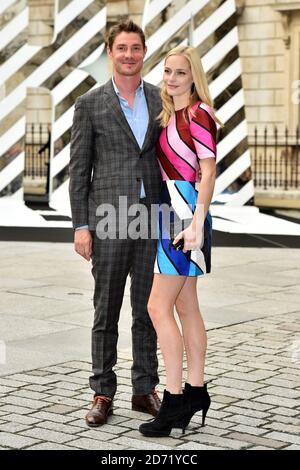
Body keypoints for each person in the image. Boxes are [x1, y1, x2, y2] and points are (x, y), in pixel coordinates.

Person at [69, 19, 163, 427]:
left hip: (153, 218)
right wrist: (81, 226)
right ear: (111, 53)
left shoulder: (163, 100)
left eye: (135, 48)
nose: (129, 55)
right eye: (121, 48)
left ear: (144, 52)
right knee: (105, 311)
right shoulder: (90, 104)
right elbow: (79, 172)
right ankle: (102, 391)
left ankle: (145, 391)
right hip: (108, 219)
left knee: (150, 310)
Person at [139, 45, 221, 437]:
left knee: (158, 306)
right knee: (186, 306)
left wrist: (197, 223)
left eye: (180, 73)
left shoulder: (199, 114)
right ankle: (196, 391)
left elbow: (208, 172)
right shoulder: (173, 115)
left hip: (185, 216)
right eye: (167, 72)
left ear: (194, 77)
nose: (171, 79)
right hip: (172, 213)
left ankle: (172, 401)